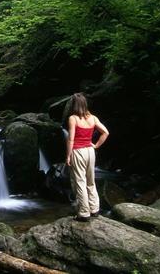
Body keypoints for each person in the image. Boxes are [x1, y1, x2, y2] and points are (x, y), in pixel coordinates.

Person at [65, 92, 109, 222]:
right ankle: (95, 209)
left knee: (80, 182)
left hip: (78, 151)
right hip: (90, 151)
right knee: (91, 181)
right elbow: (106, 132)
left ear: (73, 105)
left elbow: (71, 139)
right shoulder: (93, 118)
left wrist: (68, 156)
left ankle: (84, 213)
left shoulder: (73, 118)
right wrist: (96, 146)